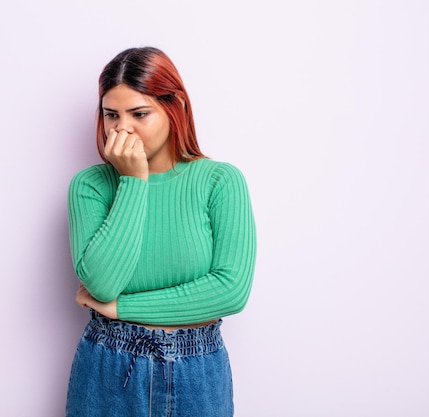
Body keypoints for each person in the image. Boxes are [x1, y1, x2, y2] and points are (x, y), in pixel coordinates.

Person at [65, 46, 257, 417]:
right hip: (108, 363)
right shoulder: (89, 187)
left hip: (197, 368)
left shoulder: (219, 181)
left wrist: (121, 307)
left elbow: (230, 290)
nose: (122, 128)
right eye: (111, 115)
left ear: (176, 109)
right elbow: (103, 283)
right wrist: (133, 181)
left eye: (139, 114)